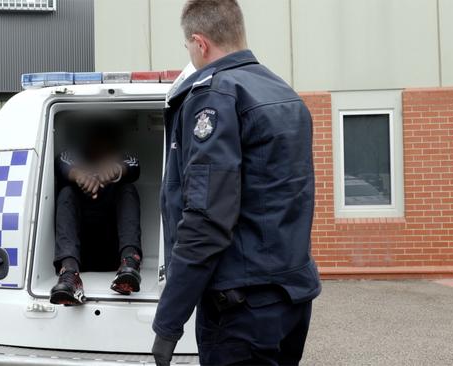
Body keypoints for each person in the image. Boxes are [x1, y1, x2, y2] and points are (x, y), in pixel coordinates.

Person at [151, 1, 322, 365]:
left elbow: (207, 218)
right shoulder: (283, 93)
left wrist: (168, 322)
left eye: (188, 48)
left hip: (241, 313)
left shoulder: (215, 96)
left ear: (200, 43)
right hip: (291, 301)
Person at [50, 121, 142, 305]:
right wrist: (79, 175)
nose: (101, 148)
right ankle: (69, 275)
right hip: (79, 257)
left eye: (107, 145)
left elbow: (134, 166)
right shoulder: (74, 155)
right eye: (97, 142)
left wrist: (117, 170)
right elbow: (61, 162)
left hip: (114, 256)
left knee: (127, 189)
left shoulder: (120, 158)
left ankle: (131, 263)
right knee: (66, 192)